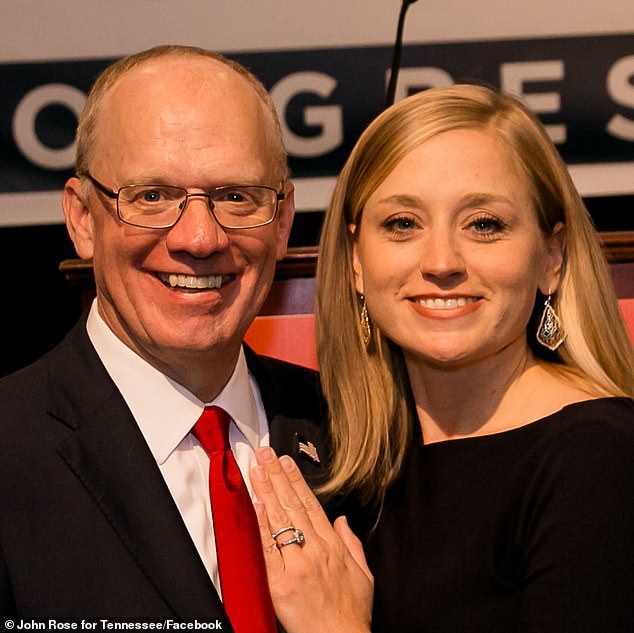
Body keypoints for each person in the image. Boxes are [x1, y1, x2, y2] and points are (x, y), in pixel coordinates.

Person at [250, 83, 634, 633]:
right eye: (403, 224)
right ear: (356, 261)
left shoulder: (601, 460)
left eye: (484, 224)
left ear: (552, 256)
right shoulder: (343, 458)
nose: (441, 261)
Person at [0, 45, 331, 625]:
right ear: (82, 219)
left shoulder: (352, 433)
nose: (200, 238)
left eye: (235, 196)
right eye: (151, 196)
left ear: (282, 223)